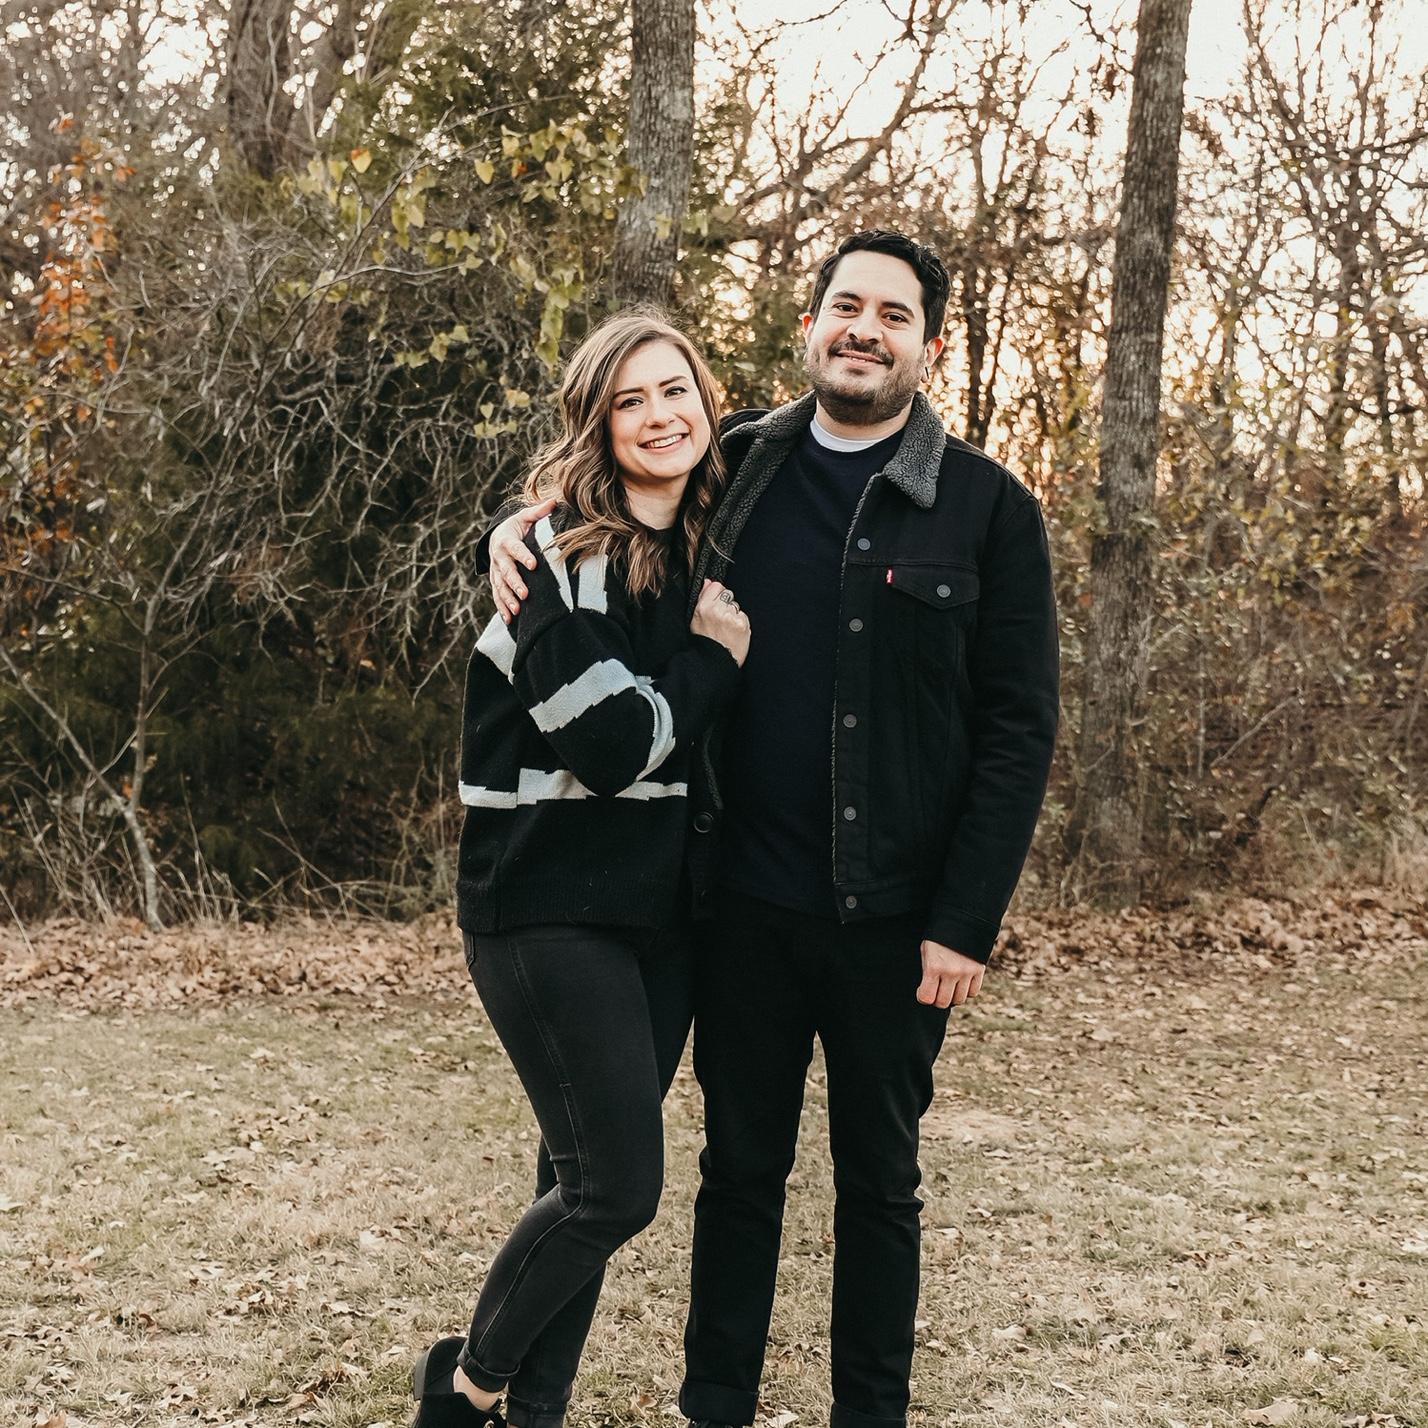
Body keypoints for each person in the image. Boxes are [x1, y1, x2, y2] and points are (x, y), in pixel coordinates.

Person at [487, 230, 1060, 1428]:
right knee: (738, 1172)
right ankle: (716, 1407)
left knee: (880, 1183)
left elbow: (1018, 733)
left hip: (896, 919)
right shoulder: (738, 464)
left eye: (893, 315)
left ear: (929, 345)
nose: (864, 330)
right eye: (847, 305)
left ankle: (870, 1413)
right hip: (739, 903)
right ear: (810, 325)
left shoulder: (989, 509)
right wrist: (507, 530)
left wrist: (967, 920)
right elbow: (603, 495)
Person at [412, 310, 751, 1428]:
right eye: (628, 402)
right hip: (545, 906)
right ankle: (465, 1389)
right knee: (614, 1190)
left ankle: (534, 1414)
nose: (660, 417)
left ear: (708, 401)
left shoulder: (711, 537)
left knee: (576, 1184)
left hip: (660, 915)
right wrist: (710, 662)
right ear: (596, 426)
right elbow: (612, 748)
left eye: (675, 391)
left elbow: (809, 436)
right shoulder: (558, 561)